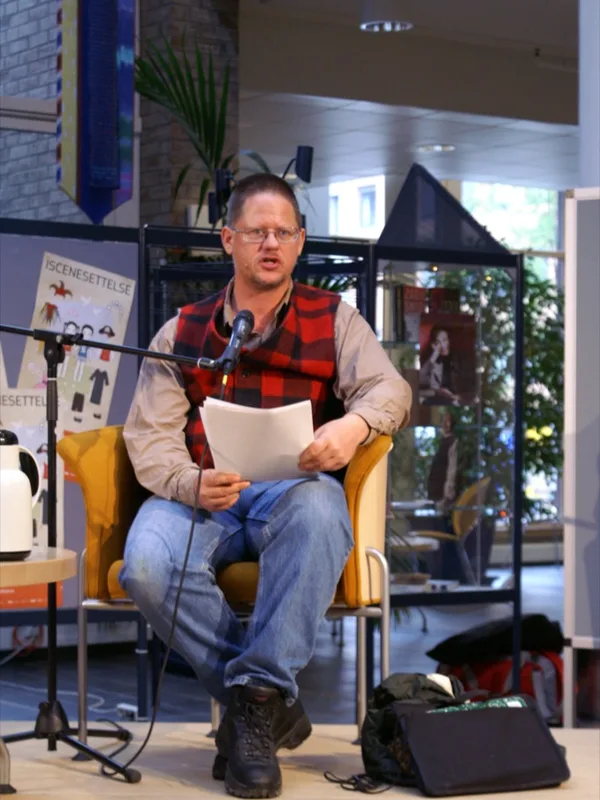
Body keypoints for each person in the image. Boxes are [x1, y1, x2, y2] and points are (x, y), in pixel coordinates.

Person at [119, 173, 411, 799]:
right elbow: (150, 435)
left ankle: (253, 706)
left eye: (284, 232)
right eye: (257, 232)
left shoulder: (337, 320)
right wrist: (188, 482)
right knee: (143, 565)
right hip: (205, 495)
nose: (271, 244)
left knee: (320, 511)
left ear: (300, 242)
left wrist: (354, 426)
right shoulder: (182, 331)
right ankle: (265, 700)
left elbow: (390, 389)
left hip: (293, 490)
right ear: (229, 240)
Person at [427, 412, 460, 514]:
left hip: (443, 488)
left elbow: (452, 467)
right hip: (435, 484)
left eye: (448, 421)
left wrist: (448, 488)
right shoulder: (440, 439)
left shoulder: (453, 441)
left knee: (441, 512)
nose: (445, 423)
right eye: (443, 421)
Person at [419, 326, 460, 406]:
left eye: (445, 340)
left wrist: (454, 396)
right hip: (435, 398)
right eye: (438, 342)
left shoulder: (457, 359)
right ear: (433, 345)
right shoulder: (432, 360)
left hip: (454, 399)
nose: (442, 345)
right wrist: (434, 356)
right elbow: (420, 379)